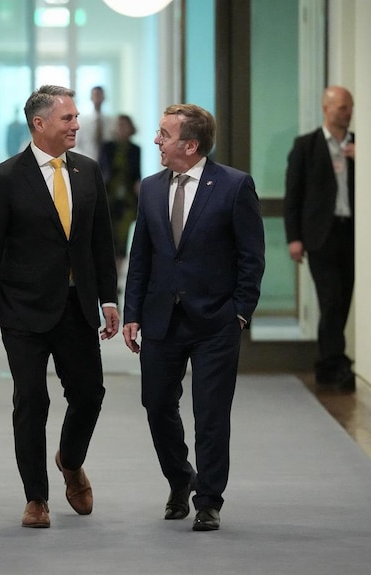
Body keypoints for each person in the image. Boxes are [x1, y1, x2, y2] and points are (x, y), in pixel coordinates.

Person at [0, 85, 120, 529]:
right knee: (32, 401)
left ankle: (70, 461)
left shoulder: (89, 172)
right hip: (22, 310)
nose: (76, 125)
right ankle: (37, 498)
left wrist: (109, 299)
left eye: (75, 118)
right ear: (39, 124)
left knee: (90, 394)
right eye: (67, 119)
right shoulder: (4, 179)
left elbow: (100, 243)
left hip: (77, 307)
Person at [122, 104, 265, 531]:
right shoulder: (149, 189)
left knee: (211, 412)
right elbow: (141, 257)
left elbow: (250, 257)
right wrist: (132, 313)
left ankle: (208, 499)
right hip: (162, 318)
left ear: (191, 144)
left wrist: (240, 313)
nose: (156, 141)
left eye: (163, 134)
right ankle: (180, 478)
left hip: (215, 321)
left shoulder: (235, 186)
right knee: (157, 405)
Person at [284, 85, 356, 392]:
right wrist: (294, 238)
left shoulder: (358, 146)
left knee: (344, 300)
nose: (348, 113)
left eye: (350, 107)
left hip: (351, 233)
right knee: (330, 300)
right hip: (320, 236)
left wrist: (362, 160)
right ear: (326, 109)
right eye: (341, 107)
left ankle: (328, 363)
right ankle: (336, 361)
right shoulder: (306, 146)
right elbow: (294, 195)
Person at [99, 114, 142, 260]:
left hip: (128, 198)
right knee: (110, 235)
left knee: (123, 235)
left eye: (124, 125)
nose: (121, 128)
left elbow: (137, 174)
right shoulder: (108, 147)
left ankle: (118, 270)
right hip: (109, 195)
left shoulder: (135, 149)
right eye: (119, 125)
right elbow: (102, 169)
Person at [74, 86, 115, 159]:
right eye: (95, 95)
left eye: (100, 95)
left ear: (104, 97)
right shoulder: (83, 121)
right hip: (87, 160)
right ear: (91, 97)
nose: (97, 98)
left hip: (106, 164)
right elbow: (76, 144)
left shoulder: (111, 122)